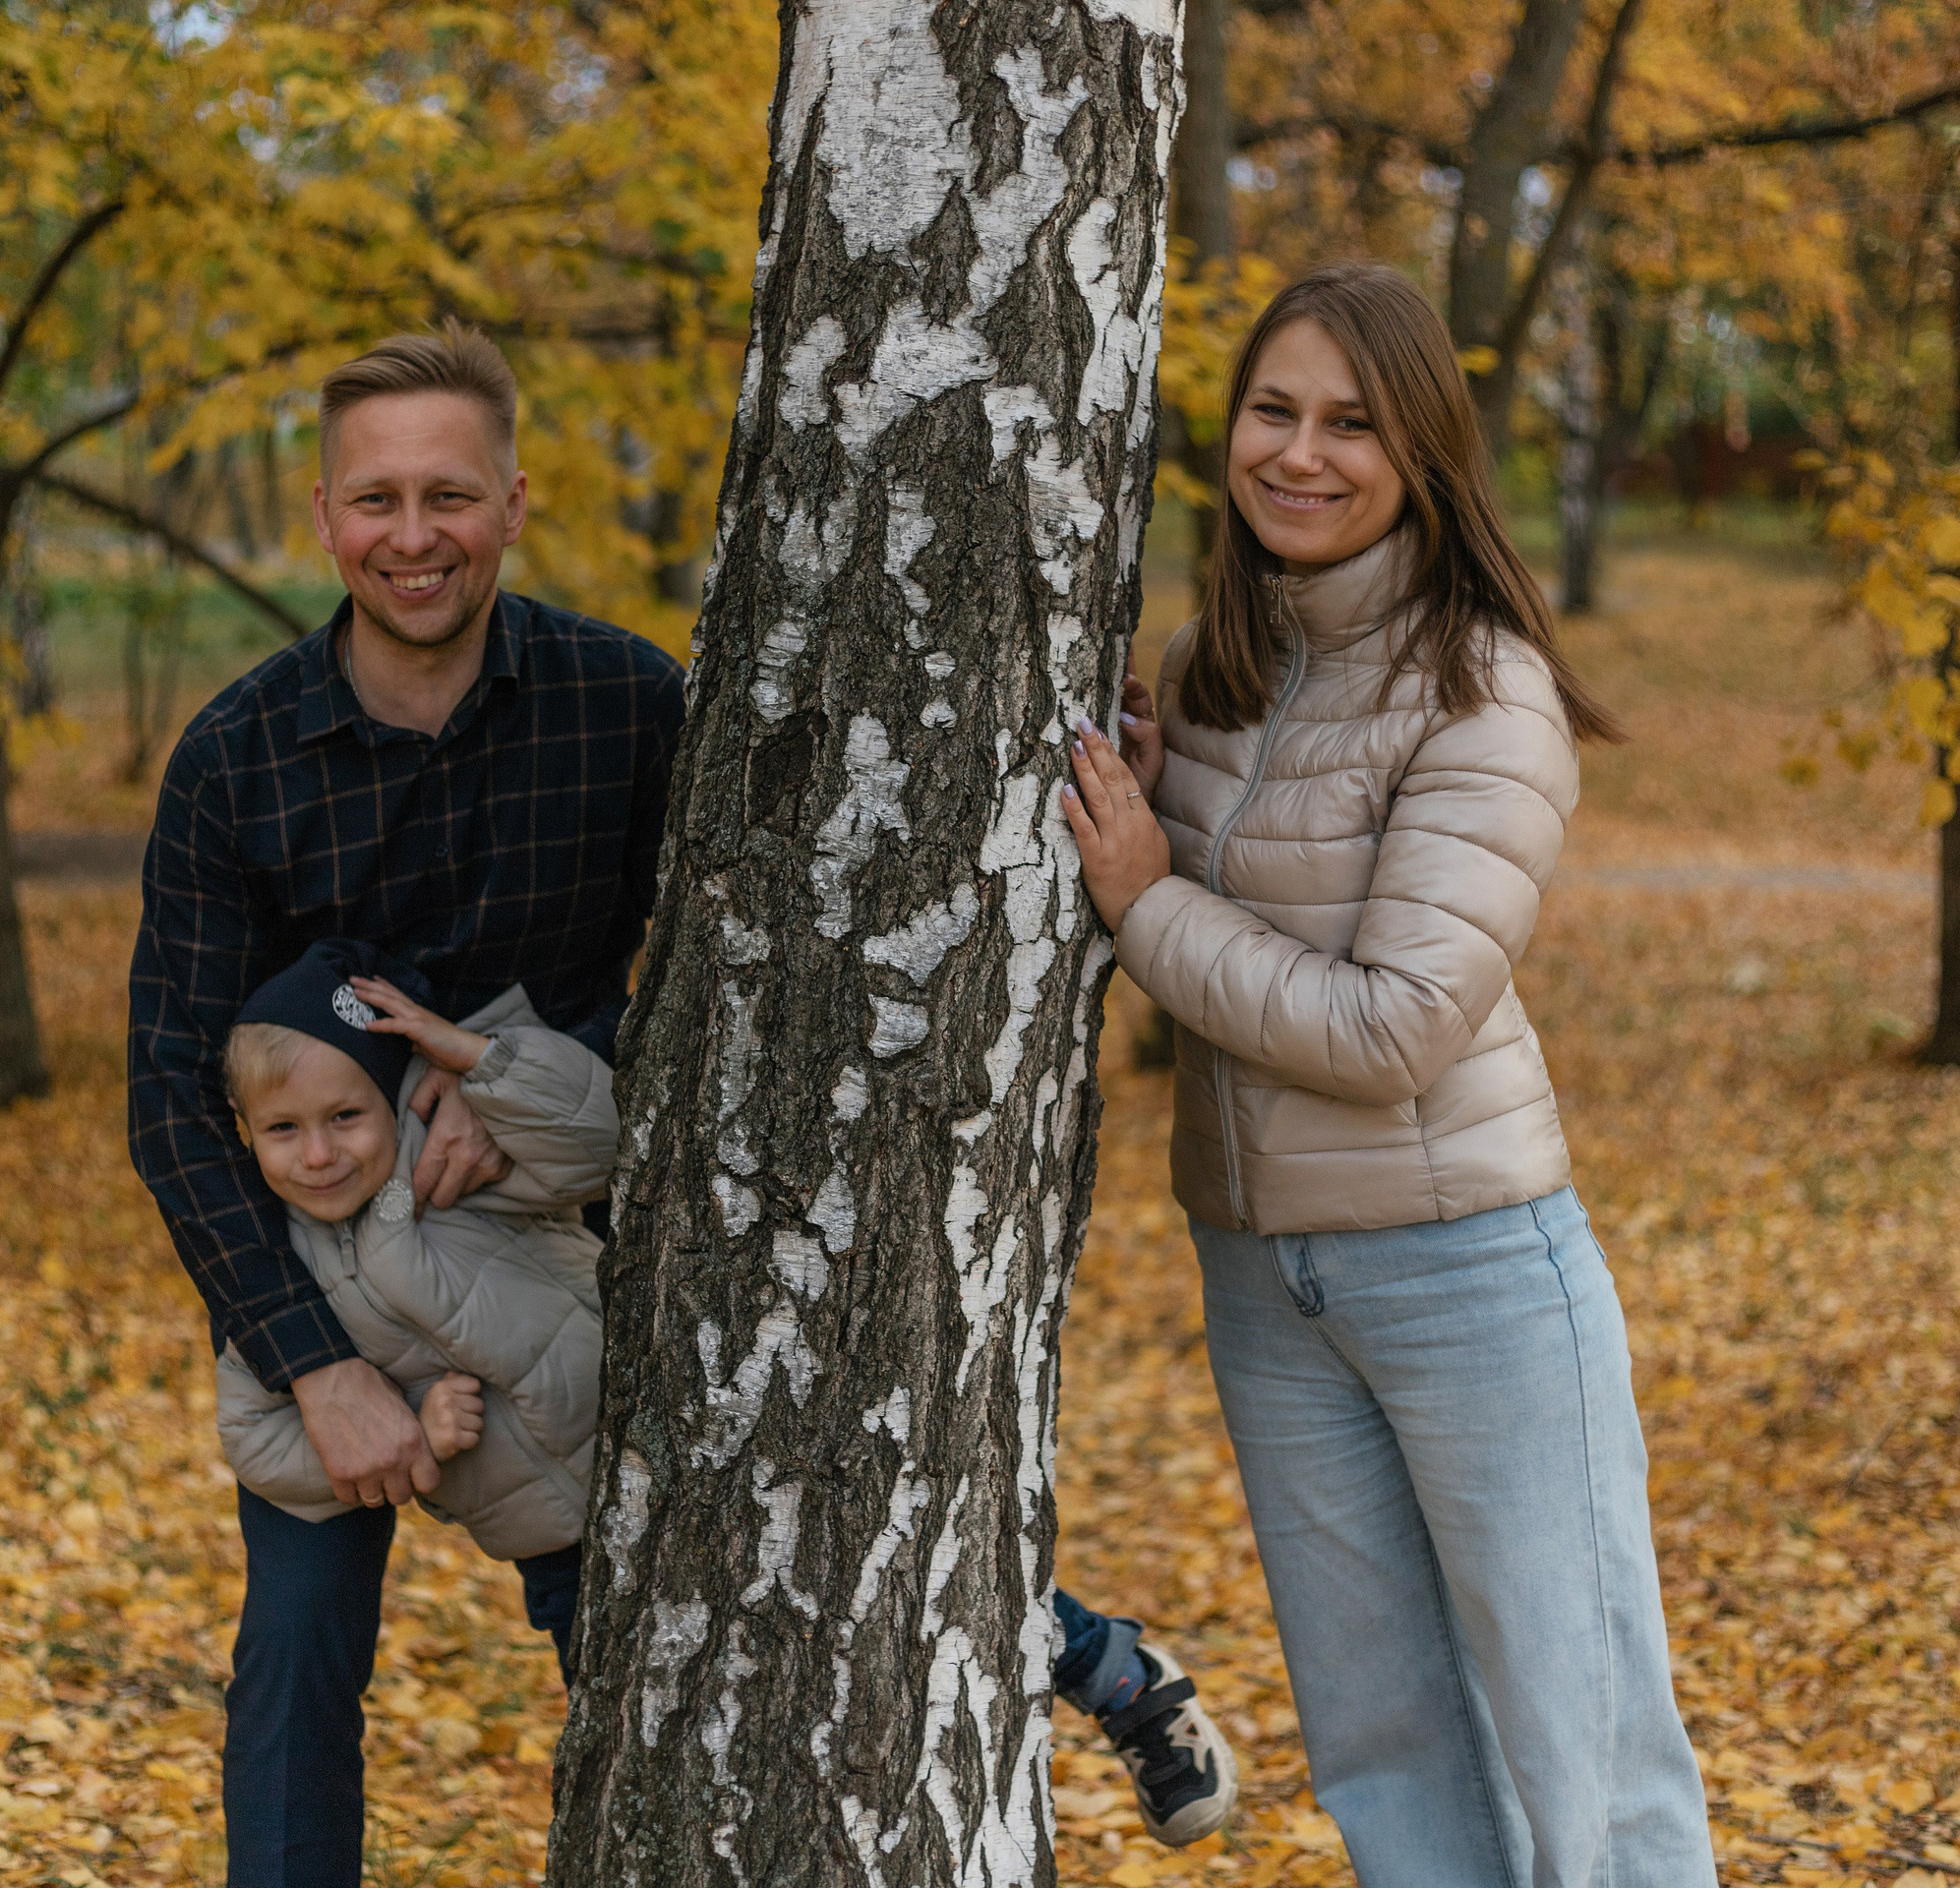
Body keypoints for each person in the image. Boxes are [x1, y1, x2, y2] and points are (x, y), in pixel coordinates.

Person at [128, 324, 1235, 1887]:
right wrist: (311, 1370)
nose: (413, 535)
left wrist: (548, 1074)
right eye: (375, 500)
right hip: (322, 1279)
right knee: (296, 1659)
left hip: (563, 1270)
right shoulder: (236, 759)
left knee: (654, 1622)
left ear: (514, 502)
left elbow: (749, 949)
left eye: (449, 494)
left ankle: (1047, 1679)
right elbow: (172, 1097)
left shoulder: (625, 703)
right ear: (324, 519)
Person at [1060, 262, 1716, 1886]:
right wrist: (1155, 810)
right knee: (1387, 1749)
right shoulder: (1220, 665)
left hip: (1470, 1269)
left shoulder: (1485, 689)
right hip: (1265, 1278)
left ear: (1422, 452)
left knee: (1588, 1746)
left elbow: (1393, 1026)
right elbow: (1221, 904)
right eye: (1275, 412)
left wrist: (1147, 898)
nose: (1303, 452)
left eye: (1353, 423)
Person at [209, 938, 614, 1681]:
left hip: (667, 1455)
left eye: (345, 1115)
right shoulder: (282, 1273)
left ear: (387, 1094)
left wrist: (479, 1058)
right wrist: (415, 1434)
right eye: (283, 1129)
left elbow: (597, 1141)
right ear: (245, 1131)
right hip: (553, 1545)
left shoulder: (445, 1163)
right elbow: (252, 1437)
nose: (321, 1154)